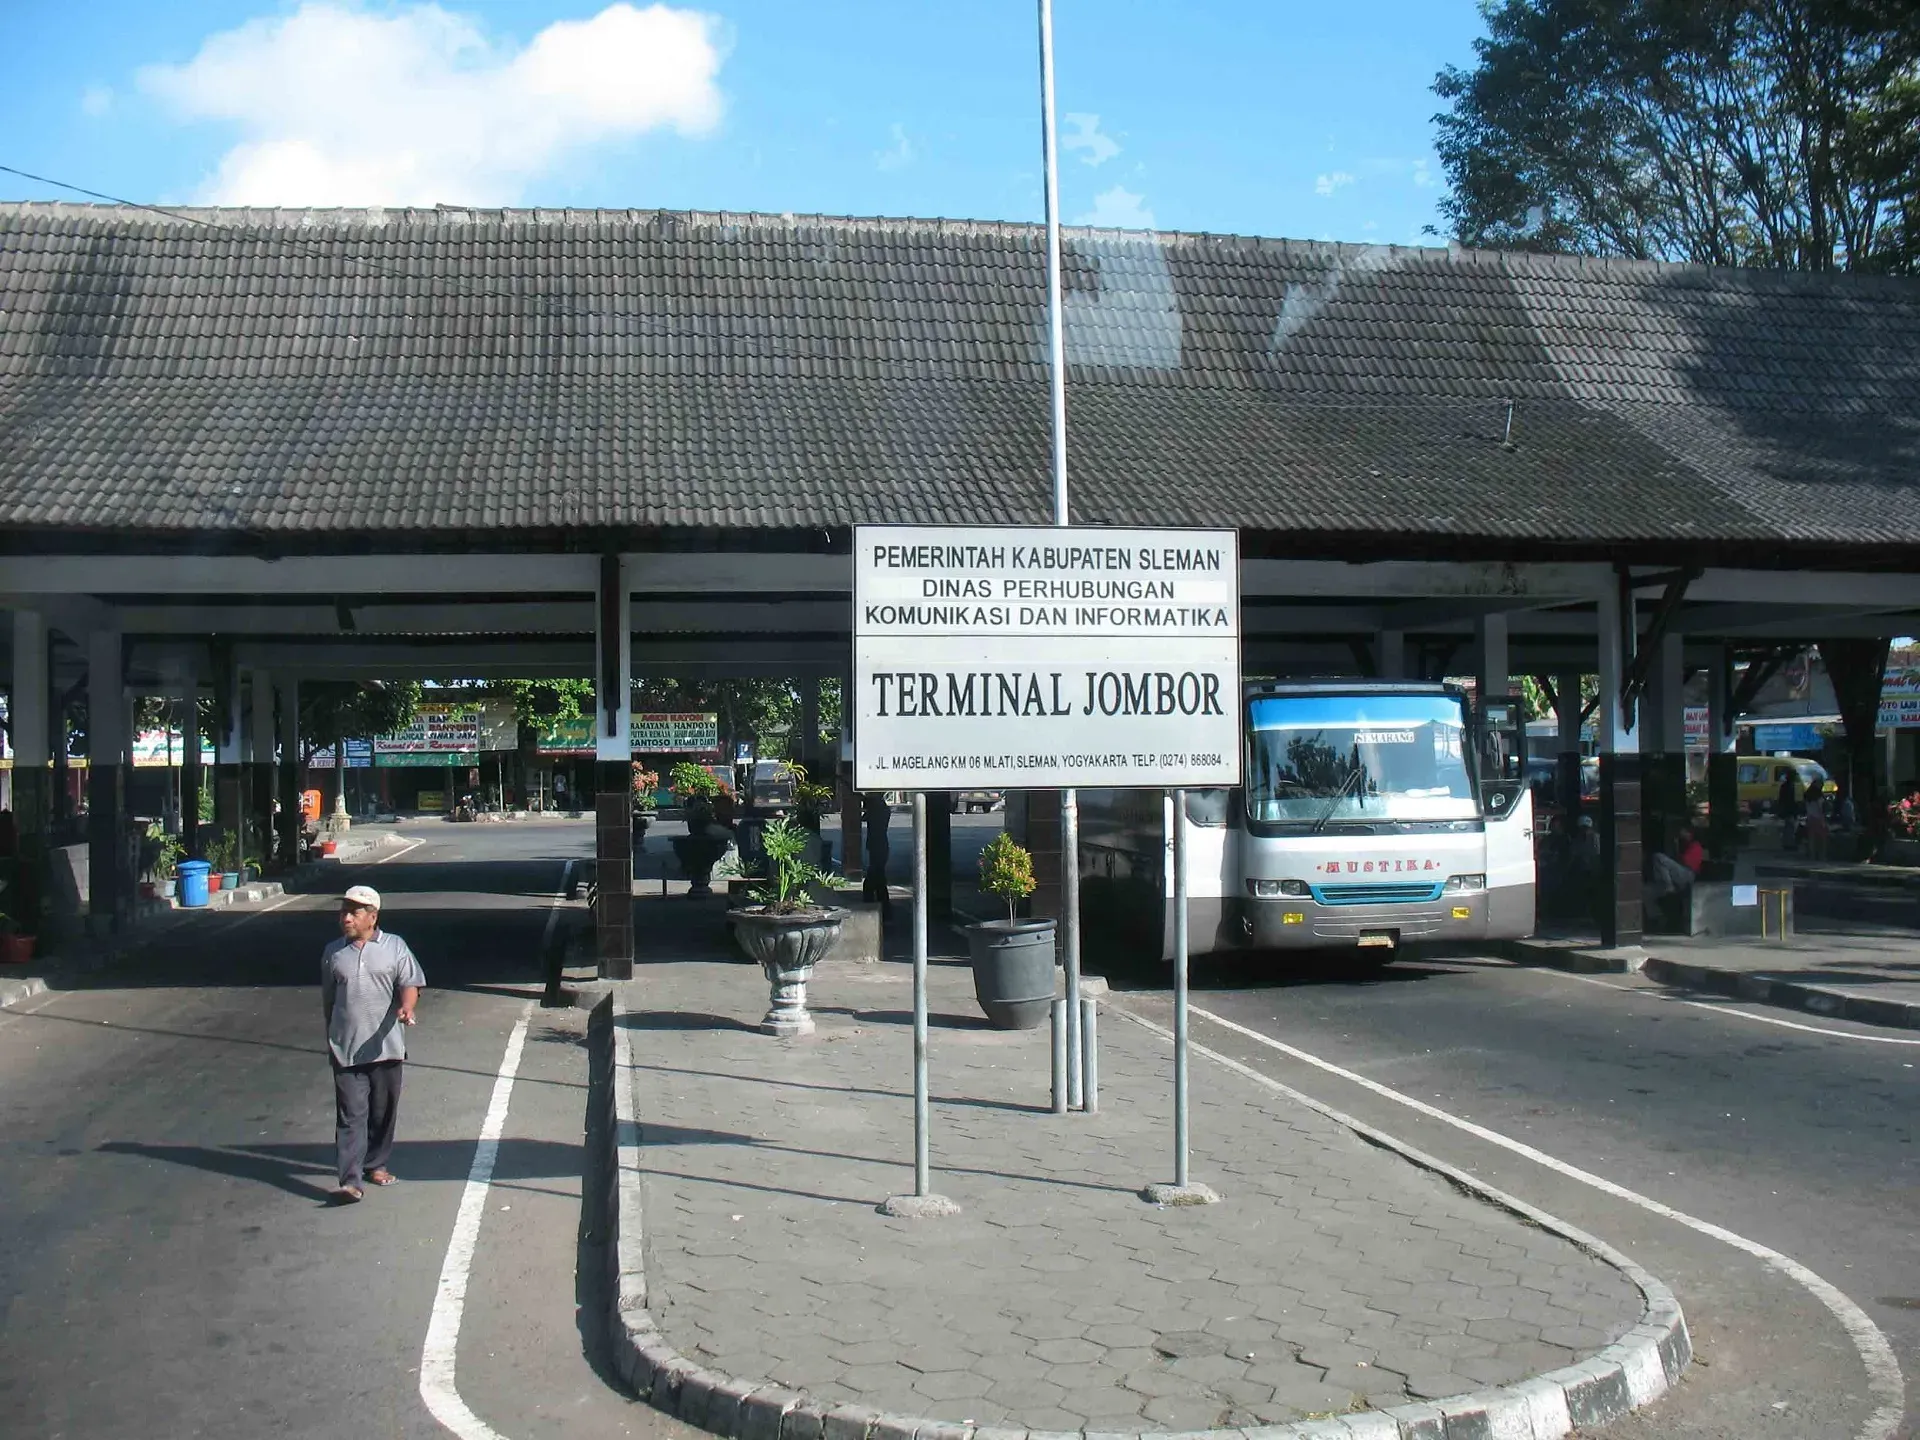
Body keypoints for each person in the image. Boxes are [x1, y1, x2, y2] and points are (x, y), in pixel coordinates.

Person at [322, 885, 425, 1204]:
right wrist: (332, 1038)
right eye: (344, 912)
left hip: (386, 1048)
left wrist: (407, 1008)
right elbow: (329, 1000)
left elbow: (410, 984)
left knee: (382, 1112)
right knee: (351, 1115)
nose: (346, 918)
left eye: (354, 912)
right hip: (346, 1049)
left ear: (373, 917)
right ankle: (350, 1180)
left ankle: (376, 1164)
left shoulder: (395, 947)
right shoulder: (333, 952)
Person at [861, 790, 893, 915]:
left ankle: (878, 908)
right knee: (878, 878)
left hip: (878, 846)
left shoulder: (878, 808)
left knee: (874, 880)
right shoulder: (879, 808)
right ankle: (884, 909)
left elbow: (864, 803)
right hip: (879, 846)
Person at [1802, 780, 1830, 861]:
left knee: (1812, 839)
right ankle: (1822, 856)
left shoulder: (1807, 796)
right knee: (1822, 839)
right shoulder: (1819, 796)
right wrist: (1824, 821)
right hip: (1818, 819)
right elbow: (1820, 809)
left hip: (1810, 818)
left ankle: (1812, 856)